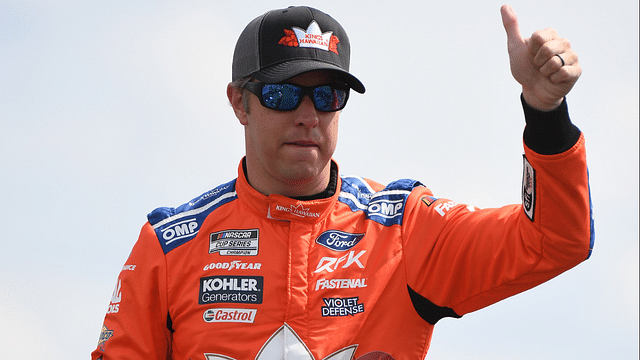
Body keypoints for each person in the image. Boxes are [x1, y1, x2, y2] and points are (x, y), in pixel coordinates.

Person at [92, 4, 594, 359]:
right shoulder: (169, 246)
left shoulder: (403, 229)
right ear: (238, 102)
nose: (308, 115)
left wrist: (545, 112)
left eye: (328, 95)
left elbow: (554, 241)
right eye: (284, 95)